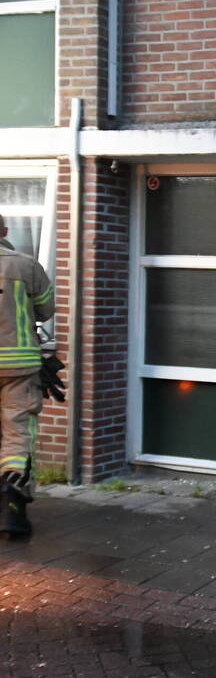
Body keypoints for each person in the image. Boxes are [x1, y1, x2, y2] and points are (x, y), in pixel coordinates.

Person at [0, 213, 56, 538]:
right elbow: (47, 311)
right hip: (20, 368)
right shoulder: (26, 265)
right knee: (17, 435)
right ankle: (14, 513)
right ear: (5, 231)